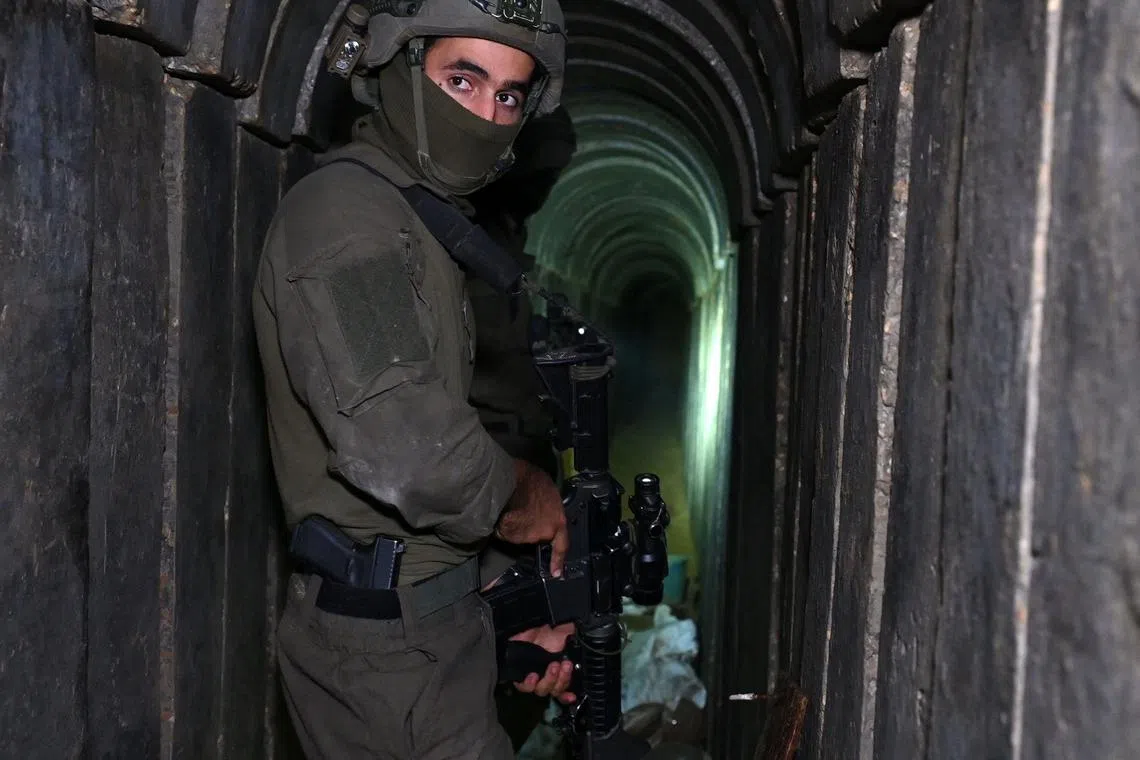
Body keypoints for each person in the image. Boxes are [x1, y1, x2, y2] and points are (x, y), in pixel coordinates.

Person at [251, 1, 576, 757]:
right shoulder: (349, 221)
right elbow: (406, 449)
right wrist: (525, 494)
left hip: (427, 628)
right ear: (397, 69)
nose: (488, 115)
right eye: (462, 80)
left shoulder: (413, 219)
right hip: (388, 661)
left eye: (507, 96)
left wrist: (504, 599)